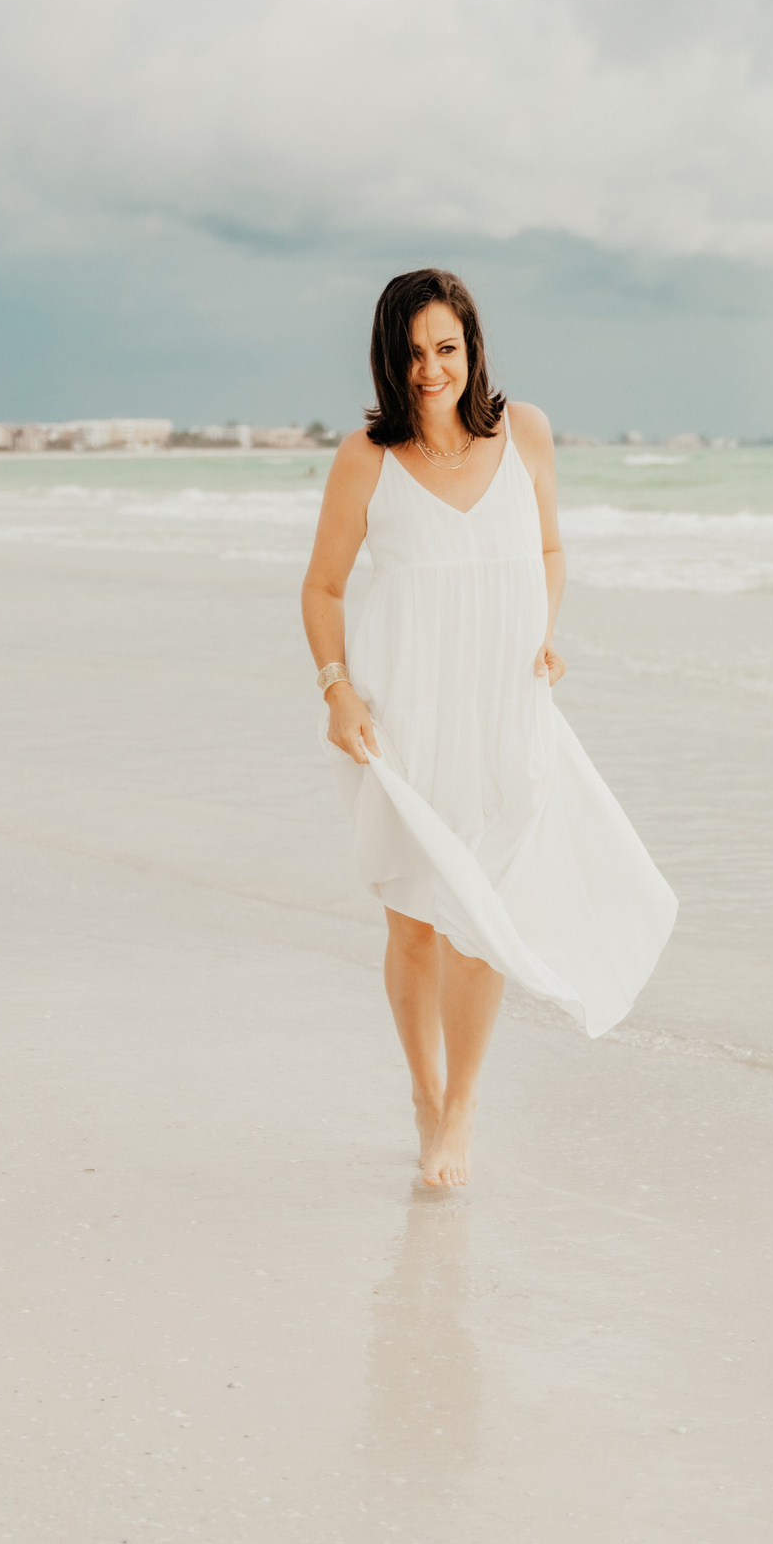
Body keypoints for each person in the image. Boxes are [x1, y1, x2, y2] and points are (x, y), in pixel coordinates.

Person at [300, 268, 678, 1189]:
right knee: (417, 928)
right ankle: (424, 1095)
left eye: (447, 348)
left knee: (480, 922)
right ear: (391, 360)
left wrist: (545, 634)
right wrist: (336, 690)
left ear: (472, 348)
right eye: (413, 352)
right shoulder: (368, 459)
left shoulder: (528, 434)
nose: (431, 369)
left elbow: (548, 550)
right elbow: (322, 587)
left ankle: (461, 1107)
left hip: (505, 714)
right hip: (400, 723)